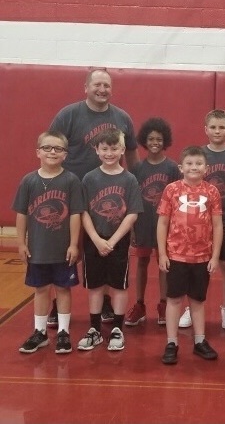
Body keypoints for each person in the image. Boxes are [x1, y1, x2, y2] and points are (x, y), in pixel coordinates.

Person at [47, 67, 140, 327]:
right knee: (67, 250)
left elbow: (132, 154)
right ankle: (57, 303)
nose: (102, 90)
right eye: (97, 84)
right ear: (86, 87)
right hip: (72, 194)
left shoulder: (122, 117)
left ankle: (107, 301)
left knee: (106, 247)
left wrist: (135, 184)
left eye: (106, 85)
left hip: (110, 197)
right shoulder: (68, 115)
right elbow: (52, 147)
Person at [13, 131, 84, 354]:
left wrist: (73, 244)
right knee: (41, 289)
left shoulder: (71, 180)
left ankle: (63, 332)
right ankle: (40, 332)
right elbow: (22, 214)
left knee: (63, 289)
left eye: (58, 148)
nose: (52, 152)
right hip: (37, 249)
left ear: (65, 154)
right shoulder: (29, 181)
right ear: (38, 152)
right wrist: (21, 243)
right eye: (47, 148)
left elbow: (75, 214)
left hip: (62, 249)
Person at [77, 129, 143, 352]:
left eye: (114, 148)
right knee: (95, 285)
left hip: (119, 241)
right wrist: (96, 239)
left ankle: (117, 329)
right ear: (96, 150)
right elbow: (83, 212)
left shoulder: (129, 179)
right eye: (104, 148)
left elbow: (132, 214)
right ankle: (94, 329)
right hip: (94, 240)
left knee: (119, 285)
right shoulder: (89, 178)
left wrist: (112, 241)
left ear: (122, 149)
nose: (109, 153)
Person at [178, 109, 225, 331]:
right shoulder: (197, 156)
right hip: (198, 221)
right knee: (194, 265)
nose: (217, 131)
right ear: (205, 129)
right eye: (213, 127)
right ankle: (191, 306)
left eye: (222, 127)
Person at [158, 146, 223, 365]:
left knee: (197, 300)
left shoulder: (212, 191)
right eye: (189, 163)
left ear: (206, 168)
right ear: (181, 167)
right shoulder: (171, 190)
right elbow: (163, 222)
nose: (194, 167)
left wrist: (215, 256)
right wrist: (162, 253)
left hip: (202, 257)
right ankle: (171, 342)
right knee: (174, 299)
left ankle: (199, 340)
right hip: (176, 256)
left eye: (198, 164)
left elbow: (217, 224)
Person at [124, 118, 180, 327]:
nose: (155, 142)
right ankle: (139, 305)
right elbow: (132, 199)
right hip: (143, 222)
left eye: (159, 139)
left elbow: (177, 198)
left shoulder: (172, 168)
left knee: (164, 264)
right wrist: (132, 227)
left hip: (165, 224)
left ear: (165, 141)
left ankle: (163, 304)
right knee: (142, 262)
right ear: (144, 141)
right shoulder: (137, 168)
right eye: (151, 139)